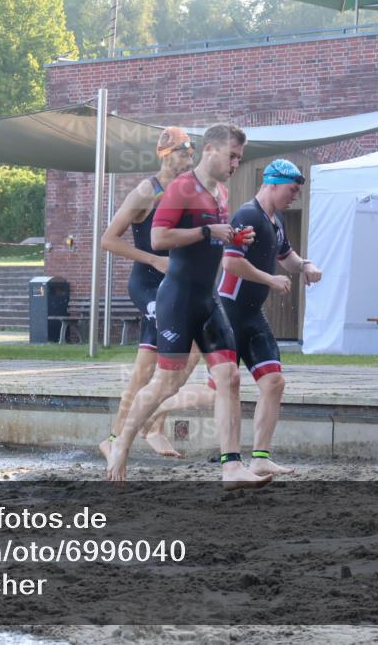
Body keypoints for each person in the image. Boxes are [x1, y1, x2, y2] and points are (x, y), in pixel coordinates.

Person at [107, 123, 271, 490]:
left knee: (229, 378)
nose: (236, 164)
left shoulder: (221, 193)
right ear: (210, 150)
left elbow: (210, 240)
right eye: (232, 156)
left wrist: (234, 237)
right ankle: (121, 444)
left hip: (207, 299)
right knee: (165, 382)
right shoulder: (180, 188)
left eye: (239, 158)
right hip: (177, 299)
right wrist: (207, 232)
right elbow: (158, 238)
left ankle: (231, 467)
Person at [99, 126, 209, 459]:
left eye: (191, 153)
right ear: (166, 154)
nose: (190, 159)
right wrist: (154, 260)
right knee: (178, 353)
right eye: (184, 152)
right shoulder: (146, 192)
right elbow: (108, 240)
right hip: (147, 284)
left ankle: (129, 433)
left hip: (175, 286)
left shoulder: (190, 190)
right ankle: (142, 429)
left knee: (154, 368)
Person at [217, 159, 322, 475]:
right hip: (228, 313)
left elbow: (287, 257)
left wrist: (305, 265)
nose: (295, 197)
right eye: (292, 190)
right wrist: (270, 280)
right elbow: (230, 263)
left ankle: (260, 458)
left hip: (252, 315)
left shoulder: (276, 221)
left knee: (274, 382)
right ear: (272, 184)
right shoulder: (247, 215)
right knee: (223, 386)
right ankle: (155, 416)